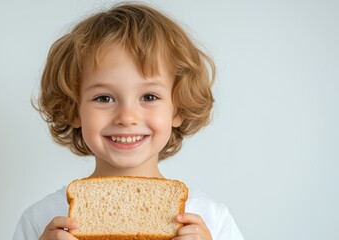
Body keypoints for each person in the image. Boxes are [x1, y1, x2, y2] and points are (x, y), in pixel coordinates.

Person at [13, 2, 244, 240]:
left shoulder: (213, 220)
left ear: (178, 109)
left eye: (149, 96)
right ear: (74, 109)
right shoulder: (40, 220)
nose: (127, 117)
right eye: (104, 98)